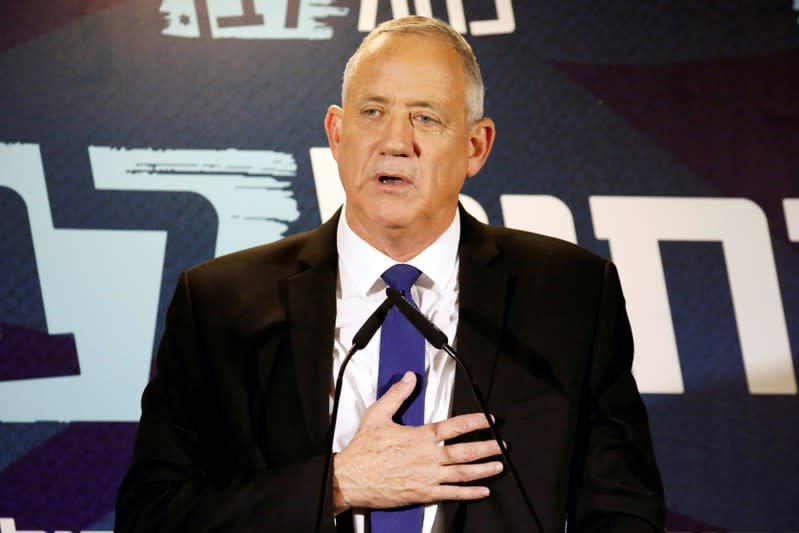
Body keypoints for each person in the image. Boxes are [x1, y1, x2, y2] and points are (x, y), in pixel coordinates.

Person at [116, 16, 665, 533]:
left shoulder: (569, 297)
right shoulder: (220, 304)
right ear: (336, 132)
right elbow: (153, 516)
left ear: (476, 146)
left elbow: (623, 512)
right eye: (372, 112)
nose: (395, 142)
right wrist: (335, 484)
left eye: (425, 117)